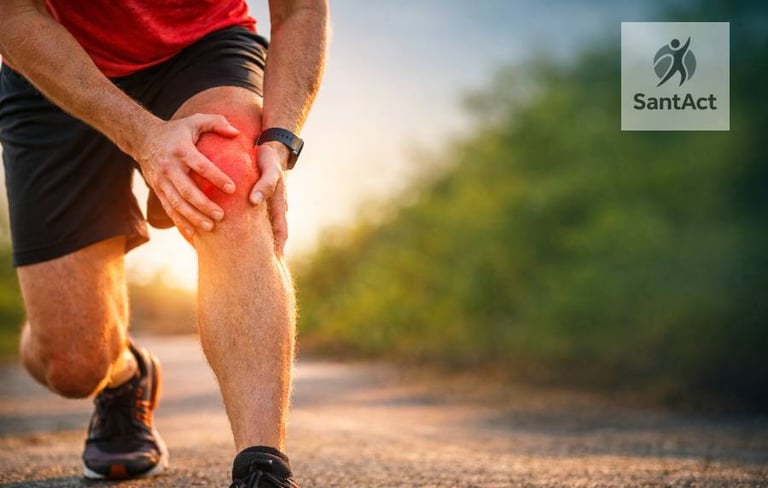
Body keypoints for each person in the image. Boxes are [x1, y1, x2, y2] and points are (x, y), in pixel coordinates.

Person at [0, 1, 328, 486]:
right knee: (73, 365)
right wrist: (143, 137)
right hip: (52, 58)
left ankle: (263, 467)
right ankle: (125, 376)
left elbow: (300, 9)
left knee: (232, 178)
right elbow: (13, 15)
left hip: (201, 45)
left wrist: (277, 142)